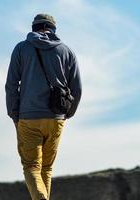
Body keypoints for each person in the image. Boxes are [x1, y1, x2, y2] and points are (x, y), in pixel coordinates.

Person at [5, 14, 82, 200]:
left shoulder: (21, 48)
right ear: (53, 28)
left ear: (34, 28)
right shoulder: (67, 51)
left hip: (28, 116)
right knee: (46, 168)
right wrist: (67, 114)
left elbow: (11, 84)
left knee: (31, 166)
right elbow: (77, 88)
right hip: (56, 117)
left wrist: (14, 114)